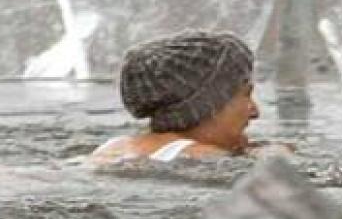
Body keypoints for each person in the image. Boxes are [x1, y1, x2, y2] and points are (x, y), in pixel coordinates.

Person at [90, 30, 260, 164]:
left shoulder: (115, 147)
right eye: (246, 95)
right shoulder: (203, 157)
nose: (255, 111)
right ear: (210, 105)